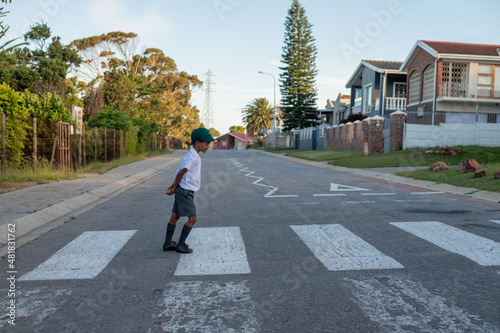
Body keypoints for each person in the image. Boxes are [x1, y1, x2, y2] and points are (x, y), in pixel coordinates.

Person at [163, 127, 215, 253]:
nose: (208, 146)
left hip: (183, 189)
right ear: (198, 143)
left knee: (174, 217)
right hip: (185, 191)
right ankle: (181, 244)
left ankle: (168, 243)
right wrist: (174, 188)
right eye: (206, 144)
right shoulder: (192, 157)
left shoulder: (192, 155)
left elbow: (180, 174)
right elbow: (181, 173)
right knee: (193, 219)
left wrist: (173, 186)